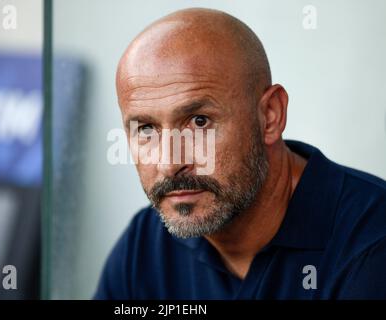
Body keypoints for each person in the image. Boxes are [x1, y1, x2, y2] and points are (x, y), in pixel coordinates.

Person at [94, 8, 386, 299]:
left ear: (270, 115)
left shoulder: (371, 244)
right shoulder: (146, 245)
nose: (170, 163)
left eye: (199, 121)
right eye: (146, 128)